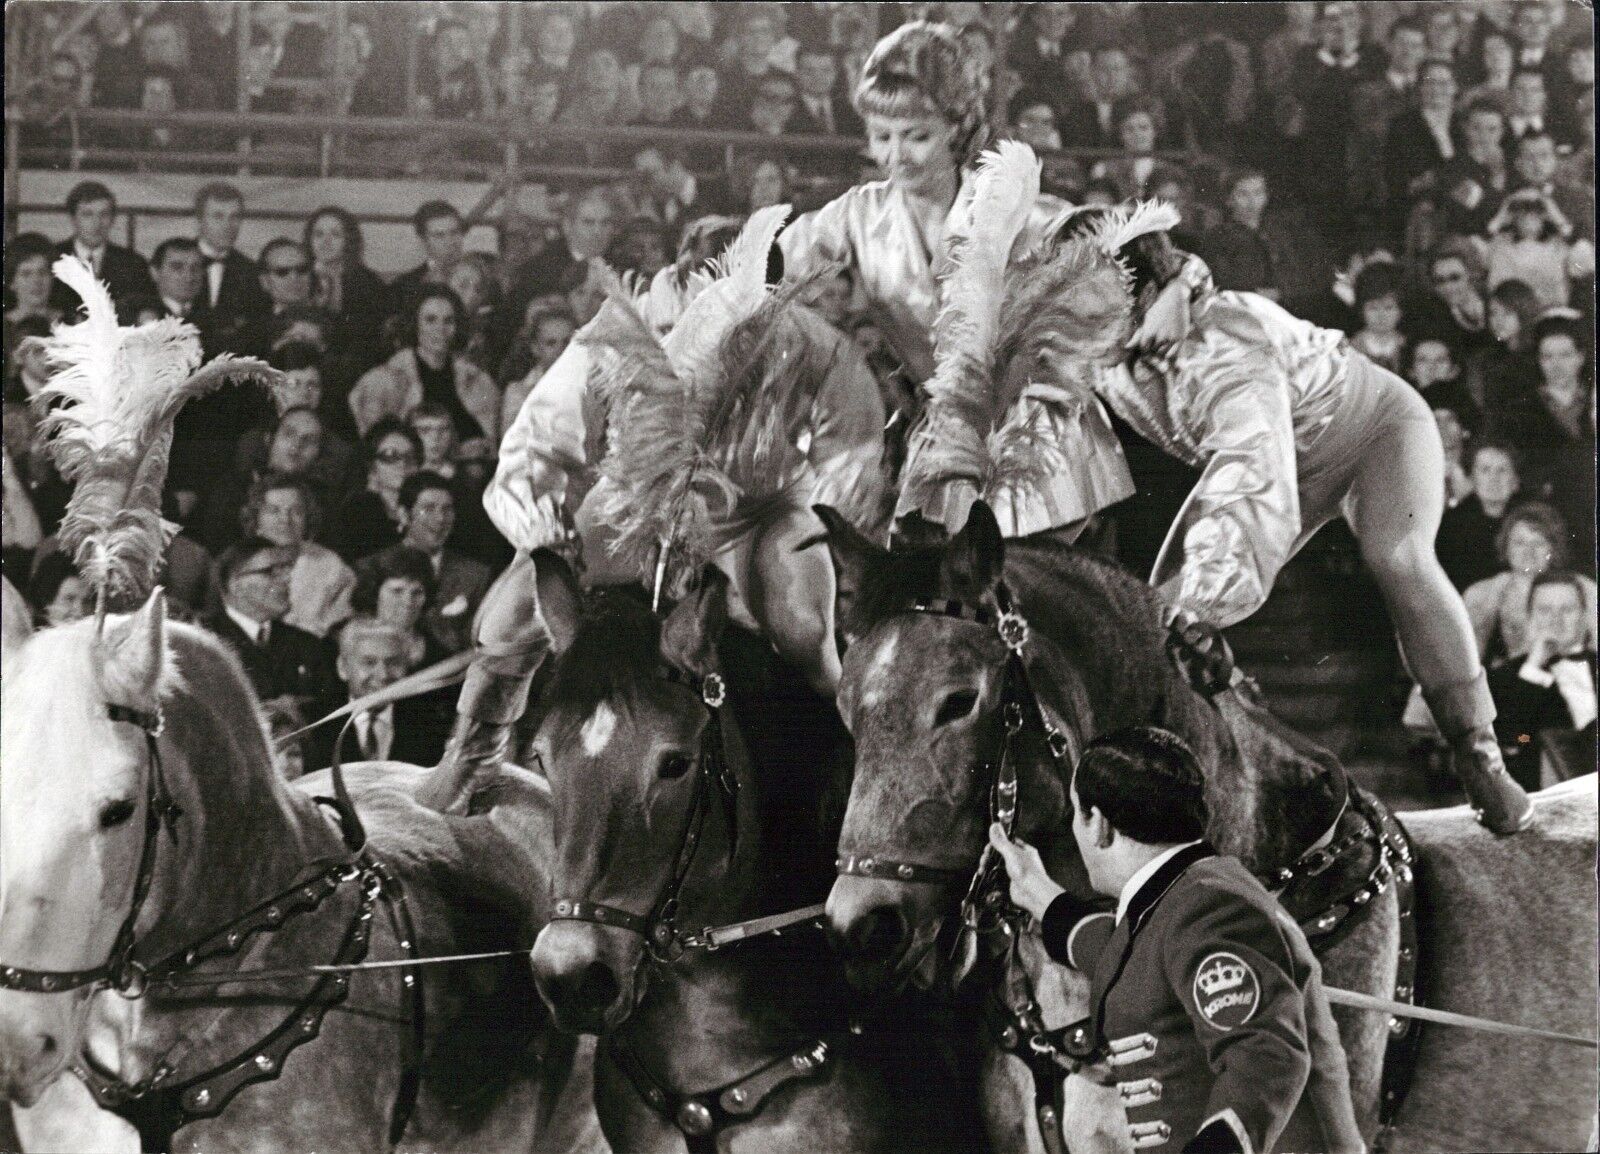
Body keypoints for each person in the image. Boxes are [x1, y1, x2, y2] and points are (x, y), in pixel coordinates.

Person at [1068, 218, 1536, 833]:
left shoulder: (1221, 347)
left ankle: (1483, 762)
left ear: (1133, 298)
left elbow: (1251, 479)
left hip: (1376, 431)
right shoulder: (1108, 335)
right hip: (1293, 452)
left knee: (1399, 559)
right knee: (1161, 620)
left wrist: (1202, 605)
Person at [777, 21, 1189, 541]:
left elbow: (1124, 237)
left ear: (956, 129)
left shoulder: (1005, 202)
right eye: (882, 137)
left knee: (1018, 597)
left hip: (1037, 445)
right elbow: (771, 265)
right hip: (941, 443)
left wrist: (1175, 288)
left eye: (916, 136)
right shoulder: (857, 214)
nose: (896, 156)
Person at [987, 726, 1363, 1154]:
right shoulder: (1186, 895)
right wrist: (1045, 898)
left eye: (1077, 813)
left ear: (1100, 825)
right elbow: (1135, 960)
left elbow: (1267, 1055)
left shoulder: (1212, 908)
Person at [356, 471, 490, 657]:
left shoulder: (474, 575)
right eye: (428, 509)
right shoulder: (371, 567)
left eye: (447, 509)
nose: (440, 519)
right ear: (403, 514)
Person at [1488, 571, 1597, 790]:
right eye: (1544, 610)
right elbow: (1515, 740)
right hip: (1544, 794)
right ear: (1530, 617)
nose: (1556, 619)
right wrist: (1533, 669)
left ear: (1584, 617)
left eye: (1567, 609)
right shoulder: (1505, 677)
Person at [348, 286, 500, 442]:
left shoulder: (476, 380)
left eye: (449, 321)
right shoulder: (386, 380)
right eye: (430, 320)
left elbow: (490, 442)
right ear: (415, 324)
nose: (440, 329)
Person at [301, 617, 454, 771]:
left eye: (393, 662)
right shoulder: (312, 724)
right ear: (342, 667)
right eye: (369, 663)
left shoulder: (430, 724)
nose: (383, 674)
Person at [203, 536, 338, 710]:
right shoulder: (205, 642)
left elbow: (330, 710)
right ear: (235, 584)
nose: (286, 579)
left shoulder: (307, 646)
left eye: (285, 570)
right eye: (270, 571)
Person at [1463, 501, 1597, 664]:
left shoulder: (1582, 588)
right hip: (1512, 682)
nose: (1528, 552)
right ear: (1506, 546)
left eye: (1538, 543)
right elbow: (1468, 662)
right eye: (1519, 543)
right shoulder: (1485, 592)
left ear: (1553, 549)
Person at [243, 472, 355, 639]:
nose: (285, 520)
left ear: (307, 518)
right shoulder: (237, 563)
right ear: (256, 518)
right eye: (273, 511)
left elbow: (338, 627)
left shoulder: (330, 565)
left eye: (296, 511)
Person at [50, 181, 155, 322]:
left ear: (113, 219)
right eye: (87, 214)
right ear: (73, 218)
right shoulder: (53, 257)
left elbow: (147, 308)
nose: (97, 223)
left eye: (104, 214)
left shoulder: (133, 262)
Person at [1435, 438, 1523, 591]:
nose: (1493, 479)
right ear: (1472, 479)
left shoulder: (1530, 521)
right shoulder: (1450, 526)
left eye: (1502, 470)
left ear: (1515, 481)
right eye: (1485, 470)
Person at [332, 417, 421, 564]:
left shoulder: (424, 504)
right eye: (390, 456)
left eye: (410, 457)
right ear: (371, 465)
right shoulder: (358, 510)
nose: (402, 464)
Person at [192, 182, 268, 343]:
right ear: (199, 220)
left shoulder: (251, 271)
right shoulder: (175, 262)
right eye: (218, 216)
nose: (227, 226)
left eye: (235, 217)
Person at [388, 201, 466, 313]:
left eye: (455, 232)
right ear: (422, 241)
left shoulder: (486, 283)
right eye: (439, 235)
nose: (450, 242)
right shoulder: (402, 288)